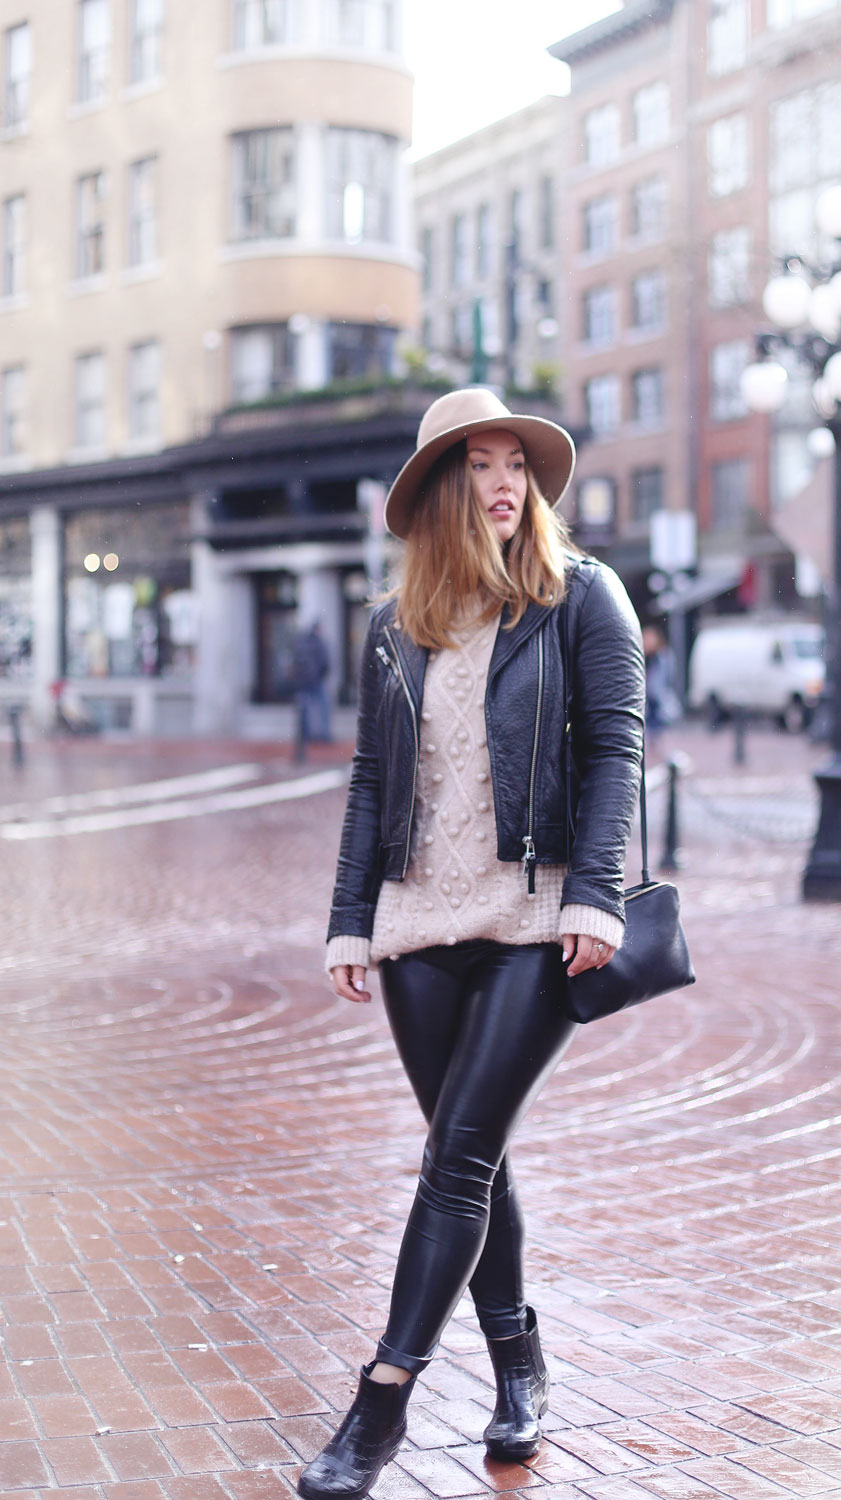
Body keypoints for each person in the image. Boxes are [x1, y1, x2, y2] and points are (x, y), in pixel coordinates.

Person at [300, 388, 644, 1500]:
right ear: (442, 492)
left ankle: (381, 1401)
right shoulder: (395, 625)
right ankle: (519, 1366)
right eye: (479, 466)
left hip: (532, 920)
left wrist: (597, 893)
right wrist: (352, 918)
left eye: (517, 466)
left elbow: (616, 749)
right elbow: (370, 782)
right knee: (473, 1152)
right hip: (416, 925)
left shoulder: (580, 597)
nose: (505, 483)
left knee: (451, 1162)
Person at [291, 618, 333, 746]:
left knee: (306, 709)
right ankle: (323, 734)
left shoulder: (302, 643)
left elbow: (297, 662)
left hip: (305, 681)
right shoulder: (318, 643)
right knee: (322, 708)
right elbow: (325, 661)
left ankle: (306, 734)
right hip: (316, 680)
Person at [642, 623, 678, 743]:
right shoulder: (641, 657)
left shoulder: (663, 657)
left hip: (658, 699)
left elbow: (668, 677)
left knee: (659, 733)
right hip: (644, 699)